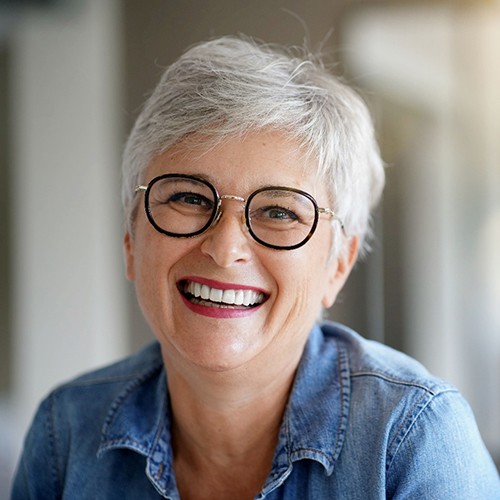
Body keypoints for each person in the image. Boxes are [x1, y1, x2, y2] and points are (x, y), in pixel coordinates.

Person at [12, 36, 499, 500]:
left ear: (339, 264)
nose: (225, 249)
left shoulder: (413, 439)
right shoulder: (67, 432)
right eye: (188, 197)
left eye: (280, 211)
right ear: (131, 241)